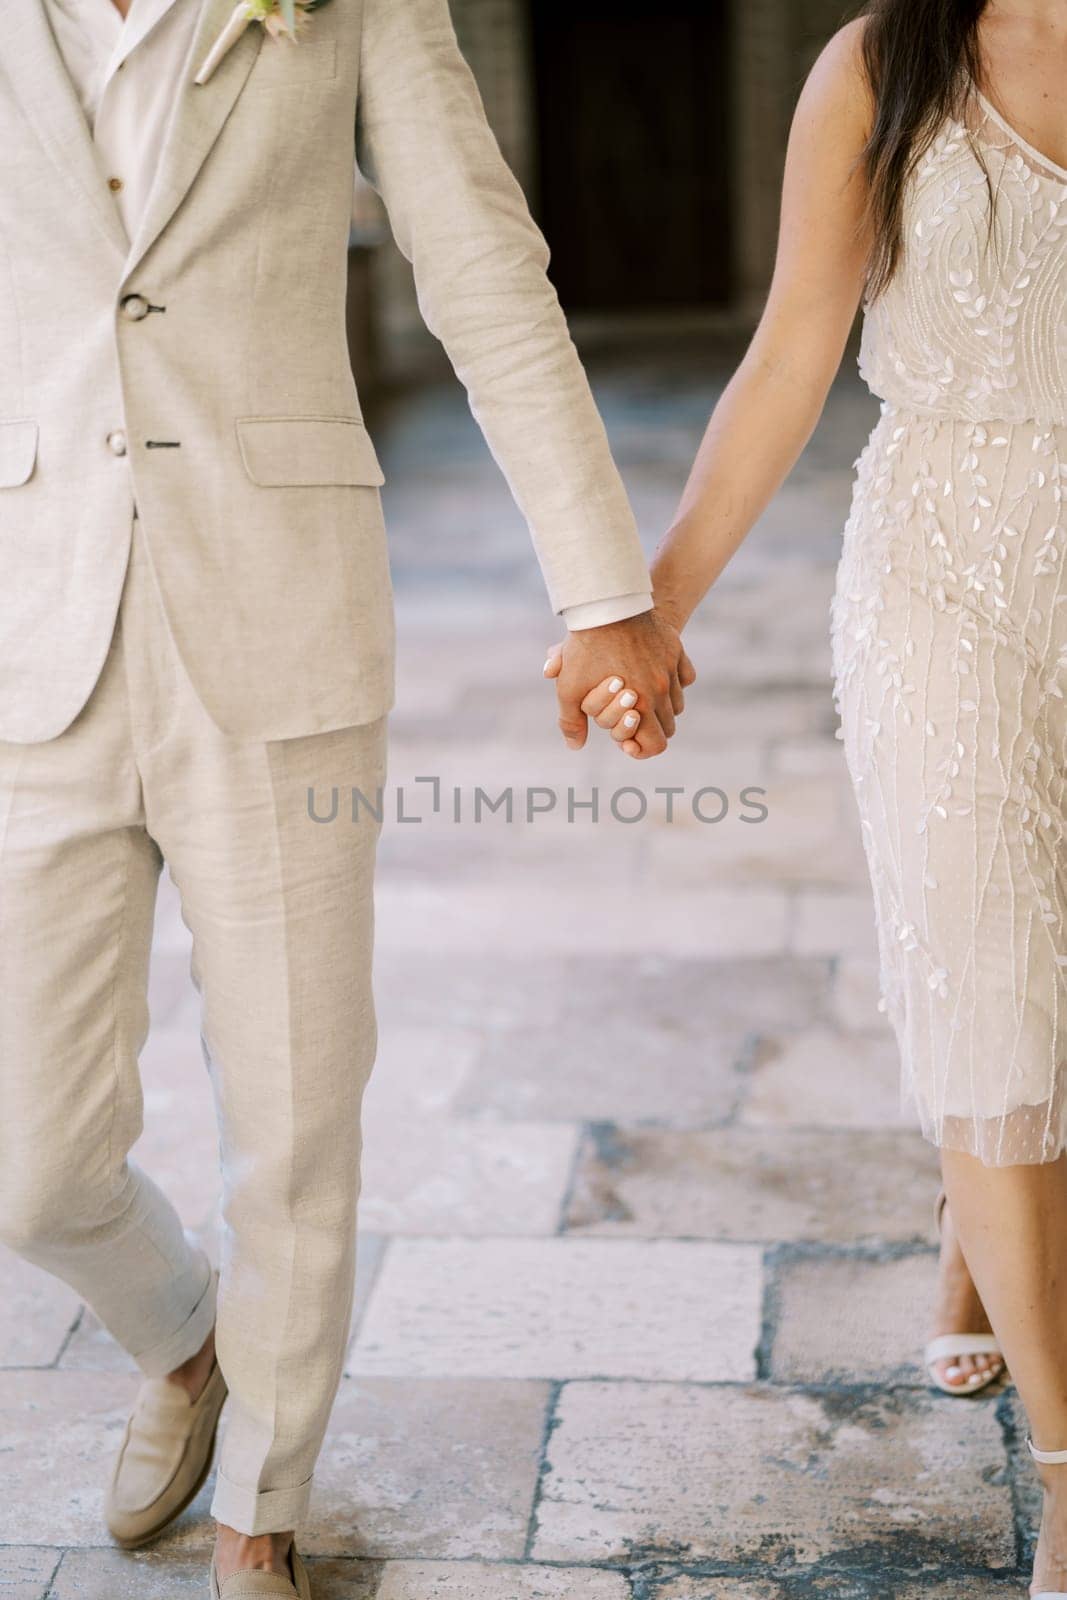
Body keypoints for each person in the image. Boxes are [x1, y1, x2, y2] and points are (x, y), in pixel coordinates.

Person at [0, 0, 693, 1595]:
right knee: (35, 1162)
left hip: (281, 611)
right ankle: (185, 1341)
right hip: (40, 626)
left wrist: (603, 589)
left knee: (299, 1116)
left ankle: (264, 1507)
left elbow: (481, 271)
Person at [549, 0, 1067, 1590]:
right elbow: (790, 353)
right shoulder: (877, 65)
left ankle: (976, 1247)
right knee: (989, 972)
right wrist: (652, 610)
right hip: (941, 572)